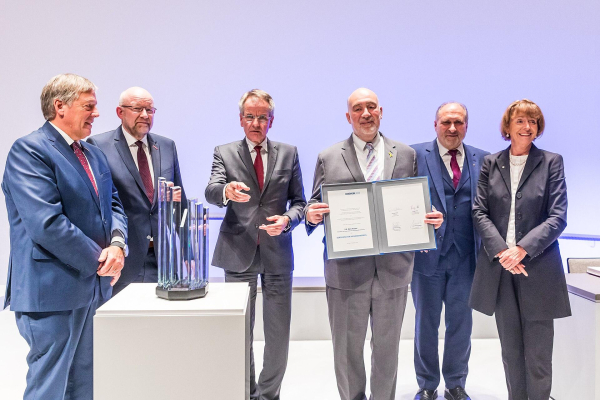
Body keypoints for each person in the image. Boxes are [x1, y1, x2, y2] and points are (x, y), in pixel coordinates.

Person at [305, 88, 443, 400]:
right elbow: (312, 206)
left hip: (393, 270)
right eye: (358, 108)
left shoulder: (406, 154)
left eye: (371, 107)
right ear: (348, 116)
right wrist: (311, 216)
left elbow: (419, 205)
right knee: (347, 352)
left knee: (387, 352)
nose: (365, 113)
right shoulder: (328, 156)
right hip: (345, 271)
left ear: (381, 111)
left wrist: (429, 221)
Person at [2, 73, 128, 400]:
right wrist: (102, 260)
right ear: (60, 106)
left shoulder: (93, 153)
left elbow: (113, 204)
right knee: (50, 388)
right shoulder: (29, 150)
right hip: (51, 291)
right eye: (89, 106)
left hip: (93, 288)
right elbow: (47, 223)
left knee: (86, 386)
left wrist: (117, 243)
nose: (96, 114)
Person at [205, 89, 306, 400]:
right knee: (240, 333)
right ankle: (244, 392)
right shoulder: (224, 152)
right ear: (241, 120)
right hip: (239, 252)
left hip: (277, 252)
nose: (256, 123)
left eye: (262, 117)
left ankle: (268, 394)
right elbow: (212, 189)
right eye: (250, 116)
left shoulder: (289, 153)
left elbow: (300, 202)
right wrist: (226, 191)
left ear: (271, 121)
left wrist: (288, 220)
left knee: (278, 335)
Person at [469, 99, 571, 399]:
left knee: (538, 357)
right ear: (508, 127)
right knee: (511, 353)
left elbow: (558, 216)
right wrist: (503, 252)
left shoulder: (552, 161)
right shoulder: (491, 163)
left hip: (537, 270)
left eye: (533, 121)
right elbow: (479, 212)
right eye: (520, 121)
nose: (527, 127)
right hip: (500, 270)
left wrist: (522, 250)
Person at [410, 103, 489, 400]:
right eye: (446, 122)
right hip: (426, 257)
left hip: (466, 258)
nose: (452, 128)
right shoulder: (414, 155)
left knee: (461, 324)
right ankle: (427, 385)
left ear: (467, 125)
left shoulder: (483, 158)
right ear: (435, 124)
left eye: (458, 122)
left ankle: (456, 383)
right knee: (425, 324)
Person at [88, 87, 186, 296]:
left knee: (163, 326)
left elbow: (181, 202)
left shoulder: (167, 145)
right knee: (122, 327)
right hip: (124, 258)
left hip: (163, 259)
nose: (144, 115)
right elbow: (101, 203)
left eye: (149, 110)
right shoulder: (98, 146)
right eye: (137, 109)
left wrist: (188, 254)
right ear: (120, 112)